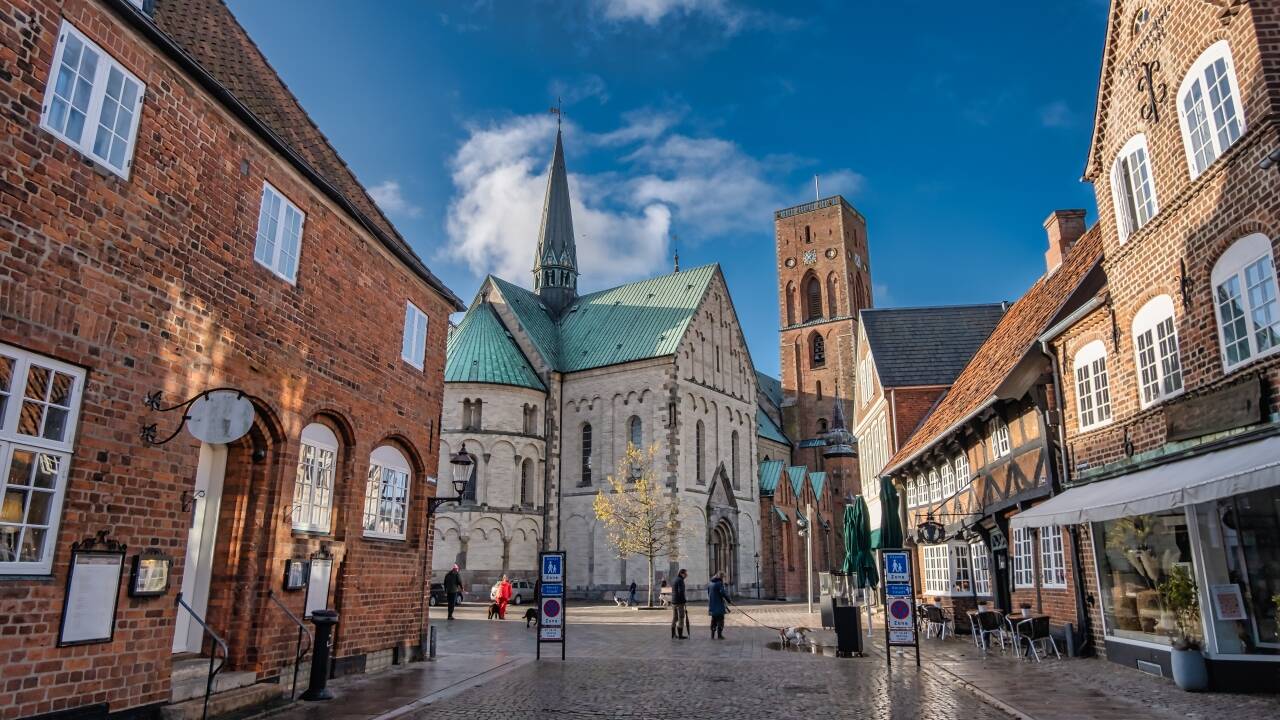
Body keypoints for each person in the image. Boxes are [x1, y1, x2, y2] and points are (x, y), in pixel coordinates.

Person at [707, 572, 731, 640]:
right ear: (721, 577)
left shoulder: (710, 583)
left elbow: (708, 594)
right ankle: (719, 635)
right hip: (719, 605)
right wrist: (729, 600)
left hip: (712, 604)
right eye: (723, 577)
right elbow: (723, 593)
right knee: (720, 620)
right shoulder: (719, 583)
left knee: (713, 619)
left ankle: (712, 635)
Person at [671, 569, 689, 639]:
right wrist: (684, 600)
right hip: (679, 603)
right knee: (681, 618)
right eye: (685, 574)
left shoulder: (675, 579)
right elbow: (681, 591)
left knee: (674, 618)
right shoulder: (680, 580)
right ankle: (680, 635)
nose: (686, 575)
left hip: (673, 602)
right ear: (682, 573)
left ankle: (673, 634)